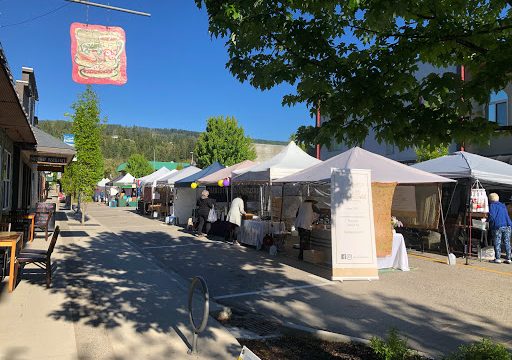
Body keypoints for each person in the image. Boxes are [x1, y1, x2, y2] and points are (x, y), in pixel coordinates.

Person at [488, 193, 512, 264]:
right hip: (507, 225)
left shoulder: (492, 205)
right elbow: (506, 216)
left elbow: (492, 216)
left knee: (497, 242)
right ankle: (509, 258)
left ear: (490, 199)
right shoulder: (503, 205)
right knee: (507, 242)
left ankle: (498, 258)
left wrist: (486, 221)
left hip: (498, 226)